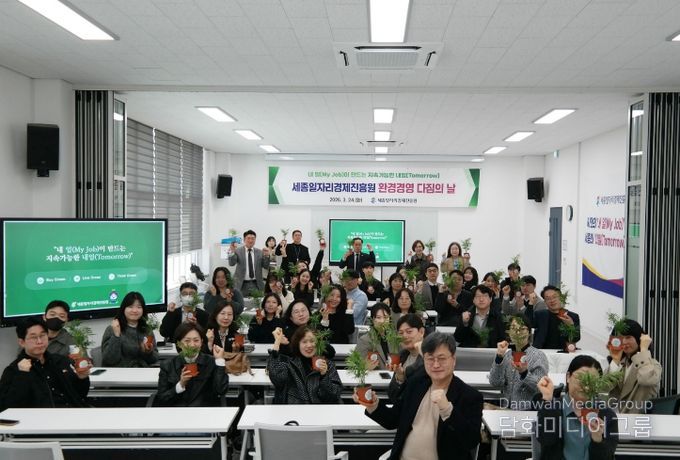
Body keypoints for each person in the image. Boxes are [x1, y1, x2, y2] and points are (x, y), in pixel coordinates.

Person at [356, 332, 483, 460]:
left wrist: (447, 410)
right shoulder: (416, 384)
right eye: (430, 358)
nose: (436, 364)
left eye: (442, 358)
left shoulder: (469, 396)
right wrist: (373, 406)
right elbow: (392, 420)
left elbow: (471, 441)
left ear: (453, 360)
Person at [535, 355, 618, 459]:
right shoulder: (553, 408)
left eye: (592, 380)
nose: (586, 385)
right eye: (580, 377)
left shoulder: (607, 415)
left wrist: (597, 438)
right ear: (568, 377)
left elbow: (607, 456)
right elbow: (546, 440)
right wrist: (547, 399)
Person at [0, 317, 90, 411]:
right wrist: (22, 376)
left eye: (42, 335)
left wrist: (82, 379)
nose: (39, 341)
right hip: (40, 418)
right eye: (33, 337)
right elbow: (6, 408)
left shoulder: (60, 361)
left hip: (72, 413)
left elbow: (80, 395)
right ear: (22, 342)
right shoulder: (14, 370)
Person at [156, 323, 229, 407]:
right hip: (177, 411)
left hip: (204, 410)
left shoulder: (211, 362)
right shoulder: (168, 365)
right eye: (187, 341)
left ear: (201, 342)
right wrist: (181, 384)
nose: (192, 345)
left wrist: (219, 361)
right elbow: (162, 398)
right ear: (179, 343)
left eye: (196, 340)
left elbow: (221, 390)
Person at [267, 326, 342, 404]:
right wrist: (277, 343)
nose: (309, 345)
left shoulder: (327, 364)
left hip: (319, 409)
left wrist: (324, 376)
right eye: (304, 342)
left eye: (312, 341)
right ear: (298, 344)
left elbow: (333, 396)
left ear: (319, 343)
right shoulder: (290, 363)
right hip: (295, 409)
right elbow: (277, 379)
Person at [489, 315, 548, 410]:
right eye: (513, 328)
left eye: (522, 329)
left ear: (529, 332)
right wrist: (499, 357)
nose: (517, 332)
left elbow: (541, 388)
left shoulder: (538, 356)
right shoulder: (507, 355)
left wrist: (524, 373)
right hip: (506, 409)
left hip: (527, 410)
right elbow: (495, 382)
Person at [606, 319, 662, 414]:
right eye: (620, 338)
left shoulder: (652, 364)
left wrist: (644, 349)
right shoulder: (619, 364)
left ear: (638, 339)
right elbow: (604, 387)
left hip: (638, 418)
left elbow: (646, 379)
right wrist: (615, 360)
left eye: (628, 337)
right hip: (615, 418)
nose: (624, 342)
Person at [101, 292, 159, 367]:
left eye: (139, 307)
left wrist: (148, 352)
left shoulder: (146, 329)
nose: (134, 310)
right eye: (130, 307)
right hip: (119, 372)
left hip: (141, 371)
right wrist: (116, 336)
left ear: (143, 310)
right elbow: (109, 360)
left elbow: (154, 359)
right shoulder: (113, 328)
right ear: (124, 309)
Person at [388, 314, 426, 402]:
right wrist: (400, 378)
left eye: (409, 332)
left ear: (421, 332)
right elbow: (392, 395)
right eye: (401, 333)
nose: (404, 336)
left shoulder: (430, 357)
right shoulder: (402, 356)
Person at [533, 285, 580, 350]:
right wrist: (530, 304)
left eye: (554, 297)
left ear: (561, 298)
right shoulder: (540, 314)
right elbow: (528, 324)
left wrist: (571, 326)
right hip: (542, 352)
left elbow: (576, 339)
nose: (552, 300)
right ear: (545, 302)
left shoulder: (572, 316)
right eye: (548, 298)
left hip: (564, 352)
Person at [356, 303, 399, 371]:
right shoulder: (364, 340)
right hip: (374, 376)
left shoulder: (395, 338)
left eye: (385, 317)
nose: (382, 321)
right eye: (378, 317)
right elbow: (357, 365)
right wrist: (365, 367)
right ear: (373, 319)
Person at [228, 229, 268, 294]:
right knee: (241, 300)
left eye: (253, 238)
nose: (250, 240)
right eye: (248, 238)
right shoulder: (238, 251)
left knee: (257, 300)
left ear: (255, 240)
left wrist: (267, 256)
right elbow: (231, 263)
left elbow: (266, 266)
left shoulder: (260, 252)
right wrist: (232, 252)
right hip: (241, 284)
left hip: (256, 284)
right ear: (244, 239)